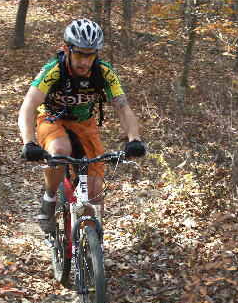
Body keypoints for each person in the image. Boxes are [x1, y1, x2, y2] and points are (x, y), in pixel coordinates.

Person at [19, 18, 146, 233]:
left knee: (95, 193)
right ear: (66, 50)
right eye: (79, 53)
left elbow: (123, 108)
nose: (84, 61)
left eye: (90, 55)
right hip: (51, 119)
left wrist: (134, 139)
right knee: (60, 150)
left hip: (85, 125)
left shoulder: (104, 72)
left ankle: (90, 250)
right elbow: (28, 106)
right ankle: (49, 200)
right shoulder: (54, 70)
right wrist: (29, 142)